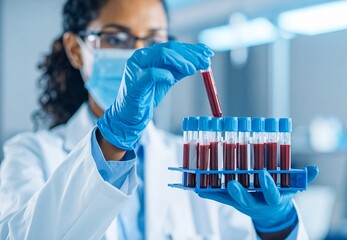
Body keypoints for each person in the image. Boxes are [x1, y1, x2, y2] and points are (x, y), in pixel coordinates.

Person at [0, 0, 318, 239]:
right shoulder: (30, 154)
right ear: (76, 48)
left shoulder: (198, 161)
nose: (139, 54)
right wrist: (114, 137)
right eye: (117, 38)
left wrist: (277, 226)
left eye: (153, 41)